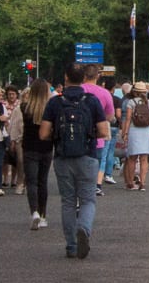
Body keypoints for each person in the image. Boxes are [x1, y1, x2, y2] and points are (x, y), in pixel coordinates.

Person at [38, 63, 108, 259]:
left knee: (68, 201)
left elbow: (43, 133)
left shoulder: (55, 103)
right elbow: (103, 131)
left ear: (66, 78)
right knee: (87, 200)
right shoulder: (92, 101)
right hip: (87, 156)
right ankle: (84, 228)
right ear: (84, 78)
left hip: (62, 157)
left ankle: (71, 245)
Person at [13, 80, 53, 230]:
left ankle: (34, 212)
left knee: (31, 182)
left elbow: (16, 127)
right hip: (46, 147)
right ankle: (43, 216)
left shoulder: (24, 107)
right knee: (43, 181)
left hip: (29, 148)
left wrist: (15, 140)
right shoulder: (49, 108)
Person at [80, 65, 115, 197]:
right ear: (98, 76)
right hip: (97, 136)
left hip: (75, 136)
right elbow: (110, 117)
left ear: (83, 75)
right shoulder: (104, 93)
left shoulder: (77, 90)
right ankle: (94, 186)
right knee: (96, 164)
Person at [120, 83, 149, 191]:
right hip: (146, 131)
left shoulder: (131, 102)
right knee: (144, 158)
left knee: (132, 158)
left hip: (134, 131)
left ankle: (131, 182)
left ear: (134, 92)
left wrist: (125, 133)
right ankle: (142, 182)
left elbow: (128, 119)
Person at [1, 86, 22, 194]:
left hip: (16, 134)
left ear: (16, 95)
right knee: (5, 158)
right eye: (9, 94)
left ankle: (14, 180)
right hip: (5, 133)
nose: (11, 96)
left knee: (16, 159)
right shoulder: (3, 104)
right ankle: (5, 179)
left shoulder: (19, 105)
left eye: (13, 94)